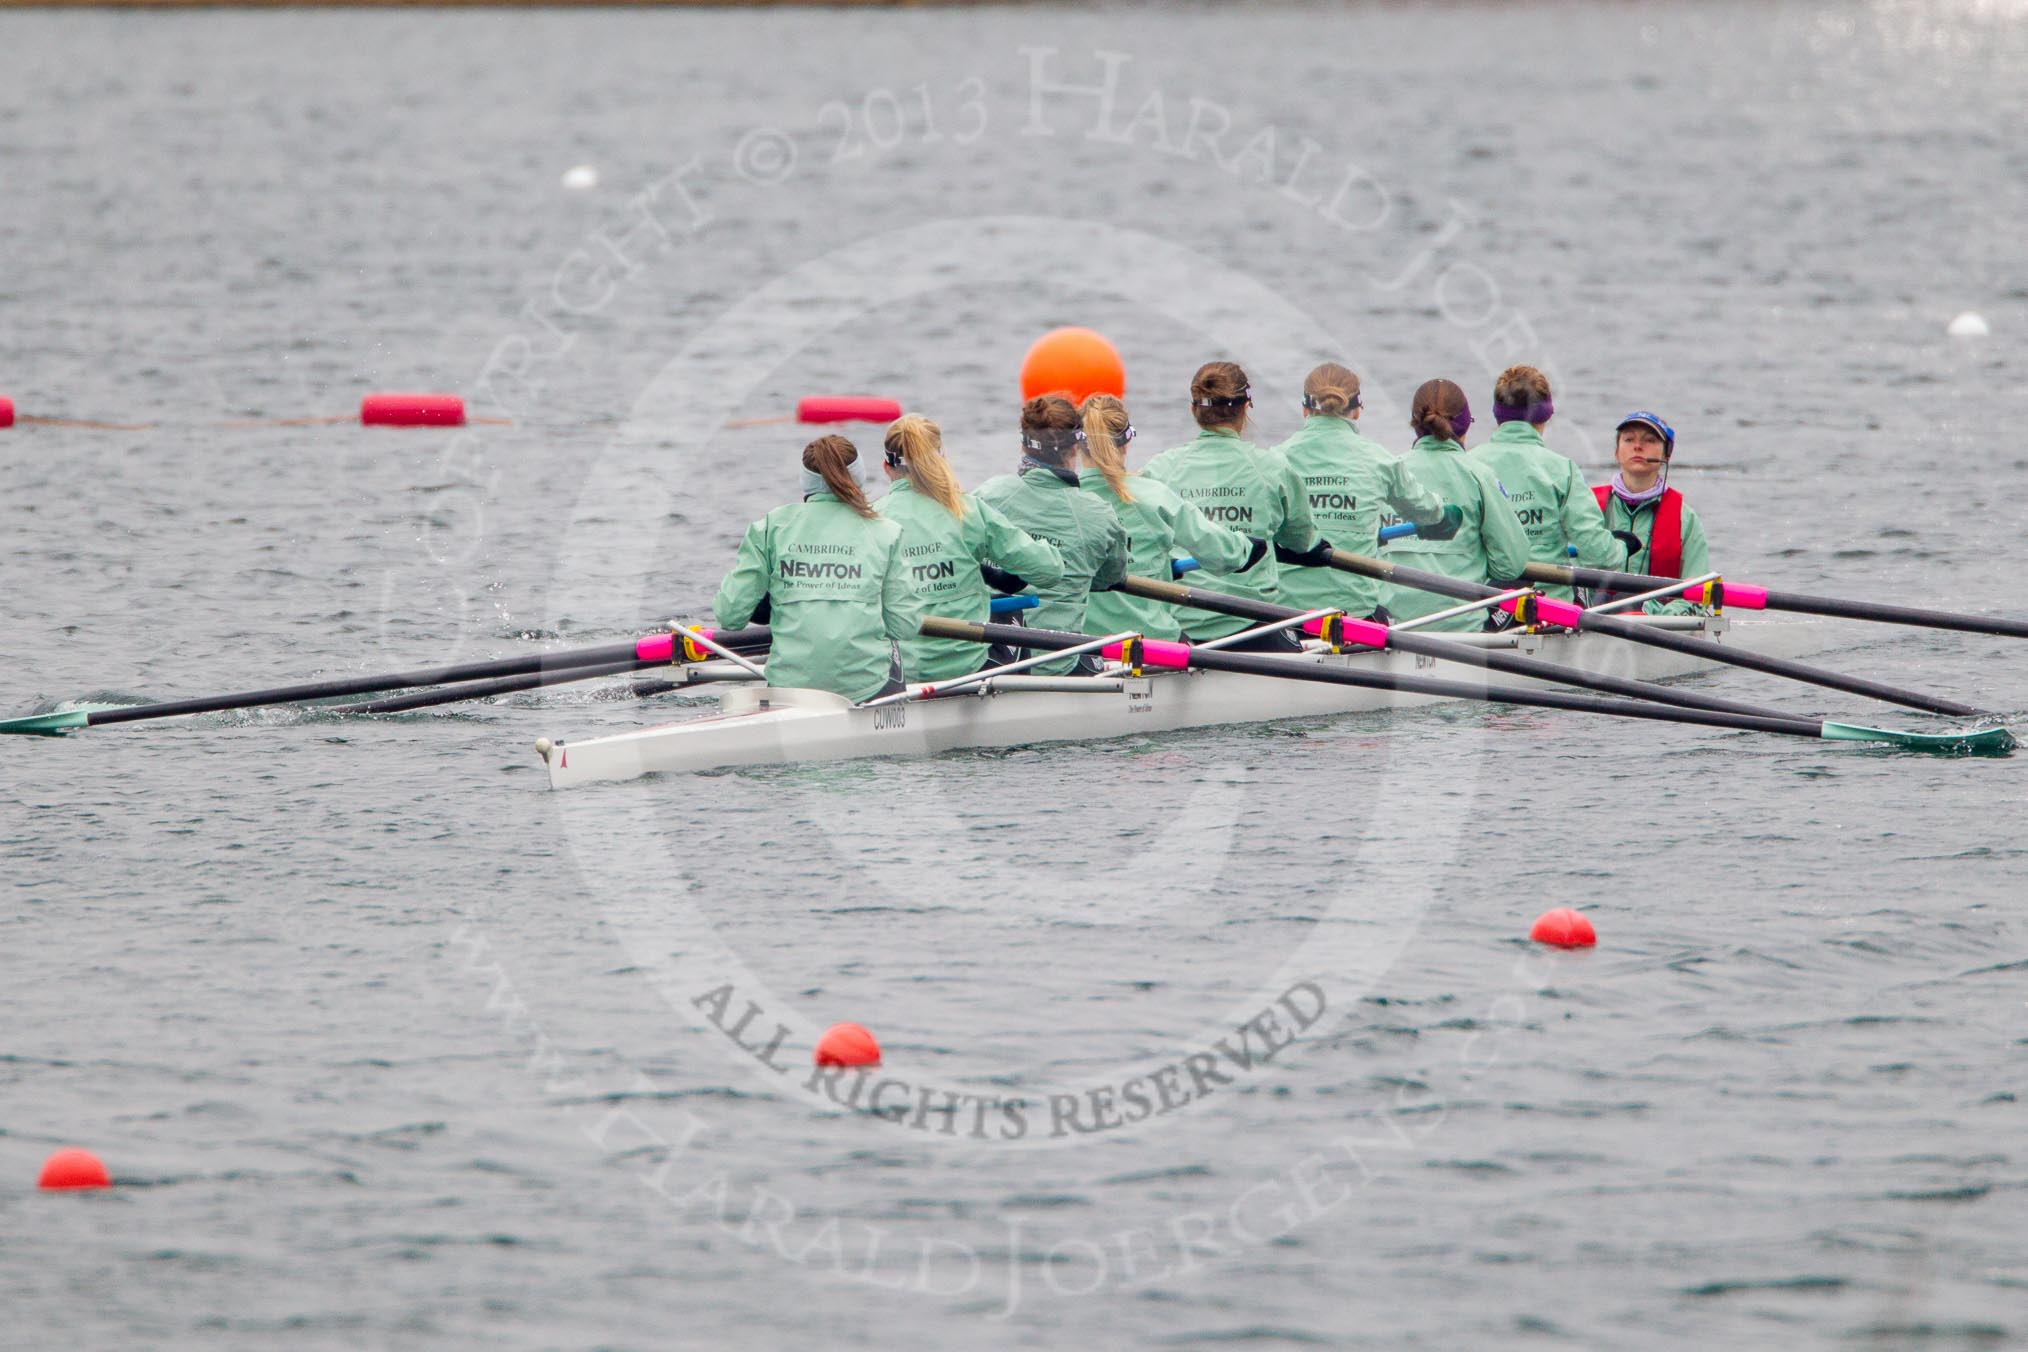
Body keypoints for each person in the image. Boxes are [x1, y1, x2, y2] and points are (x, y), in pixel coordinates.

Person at [713, 434, 930, 702]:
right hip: (865, 689)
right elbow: (906, 626)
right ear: (859, 476)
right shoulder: (887, 531)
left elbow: (729, 616)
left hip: (788, 690)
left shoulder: (770, 527)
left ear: (806, 481)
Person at [1140, 361, 1322, 649]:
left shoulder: (1159, 470)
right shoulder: (1273, 468)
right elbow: (1299, 541)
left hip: (1181, 626)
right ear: (1247, 407)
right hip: (1254, 624)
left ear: (1193, 411)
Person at [873, 413, 1066, 681]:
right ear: (940, 460)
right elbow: (1050, 571)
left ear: (886, 467)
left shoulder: (870, 520)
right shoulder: (967, 511)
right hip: (968, 668)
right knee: (1011, 610)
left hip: (902, 672)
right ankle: (1017, 706)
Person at [1272, 362, 1461, 623]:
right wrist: (1447, 515)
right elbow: (1429, 512)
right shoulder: (1379, 460)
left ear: (1305, 409)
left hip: (1285, 613)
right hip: (1354, 614)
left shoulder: (1275, 460)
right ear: (1357, 411)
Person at [1074, 393, 1256, 641]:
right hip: (1153, 641)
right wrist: (1247, 547)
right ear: (1126, 442)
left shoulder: (1059, 501)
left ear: (1076, 446)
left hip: (1078, 643)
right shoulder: (1153, 495)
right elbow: (1224, 555)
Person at [974, 393, 1130, 674]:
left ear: (1023, 446)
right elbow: (1111, 578)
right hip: (1058, 663)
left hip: (996, 662)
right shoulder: (1100, 513)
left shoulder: (986, 497)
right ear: (1075, 448)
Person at [1380, 378, 1533, 631]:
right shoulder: (1479, 474)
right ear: (1465, 425)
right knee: (1521, 584)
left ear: (1416, 424)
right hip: (1463, 627)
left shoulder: (1388, 472)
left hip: (1395, 626)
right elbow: (1511, 564)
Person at [1467, 365, 1627, 601]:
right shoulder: (1562, 470)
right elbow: (1597, 554)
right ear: (1547, 414)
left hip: (1481, 606)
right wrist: (1622, 549)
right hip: (1547, 607)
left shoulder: (1468, 464)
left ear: (1497, 413)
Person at [1593, 411, 1711, 615]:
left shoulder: (1686, 518)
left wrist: (1657, 614)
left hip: (1656, 624)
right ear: (1617, 453)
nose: (1638, 446)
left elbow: (1698, 592)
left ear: (1666, 455)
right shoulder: (1589, 507)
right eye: (1629, 439)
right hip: (1591, 616)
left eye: (1649, 440)